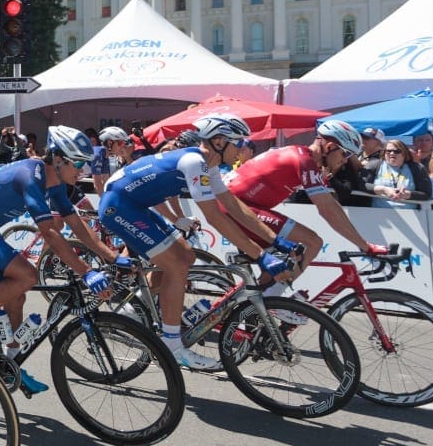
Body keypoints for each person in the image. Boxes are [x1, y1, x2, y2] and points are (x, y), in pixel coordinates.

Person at [98, 114, 293, 370]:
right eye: (239, 143)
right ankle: (172, 346)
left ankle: (136, 309)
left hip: (135, 203)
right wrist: (260, 255)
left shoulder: (207, 165)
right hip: (119, 206)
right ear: (220, 141)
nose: (242, 149)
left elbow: (234, 207)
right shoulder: (194, 162)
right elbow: (214, 216)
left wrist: (274, 240)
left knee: (186, 256)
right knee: (176, 266)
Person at [0, 125, 124, 393]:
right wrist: (86, 272)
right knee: (27, 275)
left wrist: (111, 256)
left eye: (85, 164)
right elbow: (50, 233)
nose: (82, 170)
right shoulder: (31, 176)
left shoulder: (54, 184)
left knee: (16, 294)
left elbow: (75, 222)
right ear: (57, 158)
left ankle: (10, 363)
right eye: (77, 163)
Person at [225, 119, 388, 296]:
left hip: (239, 205)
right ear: (330, 147)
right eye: (346, 155)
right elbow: (328, 211)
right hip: (237, 207)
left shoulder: (308, 161)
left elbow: (333, 206)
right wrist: (365, 246)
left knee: (278, 267)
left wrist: (363, 243)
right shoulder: (304, 161)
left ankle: (254, 310)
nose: (345, 161)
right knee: (312, 242)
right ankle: (274, 300)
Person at [365, 139, 431, 208]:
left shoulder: (417, 168)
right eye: (388, 151)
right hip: (376, 214)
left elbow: (426, 194)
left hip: (410, 215)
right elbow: (361, 185)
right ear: (384, 153)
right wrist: (383, 189)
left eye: (397, 151)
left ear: (404, 153)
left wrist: (407, 194)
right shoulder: (374, 165)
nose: (392, 153)